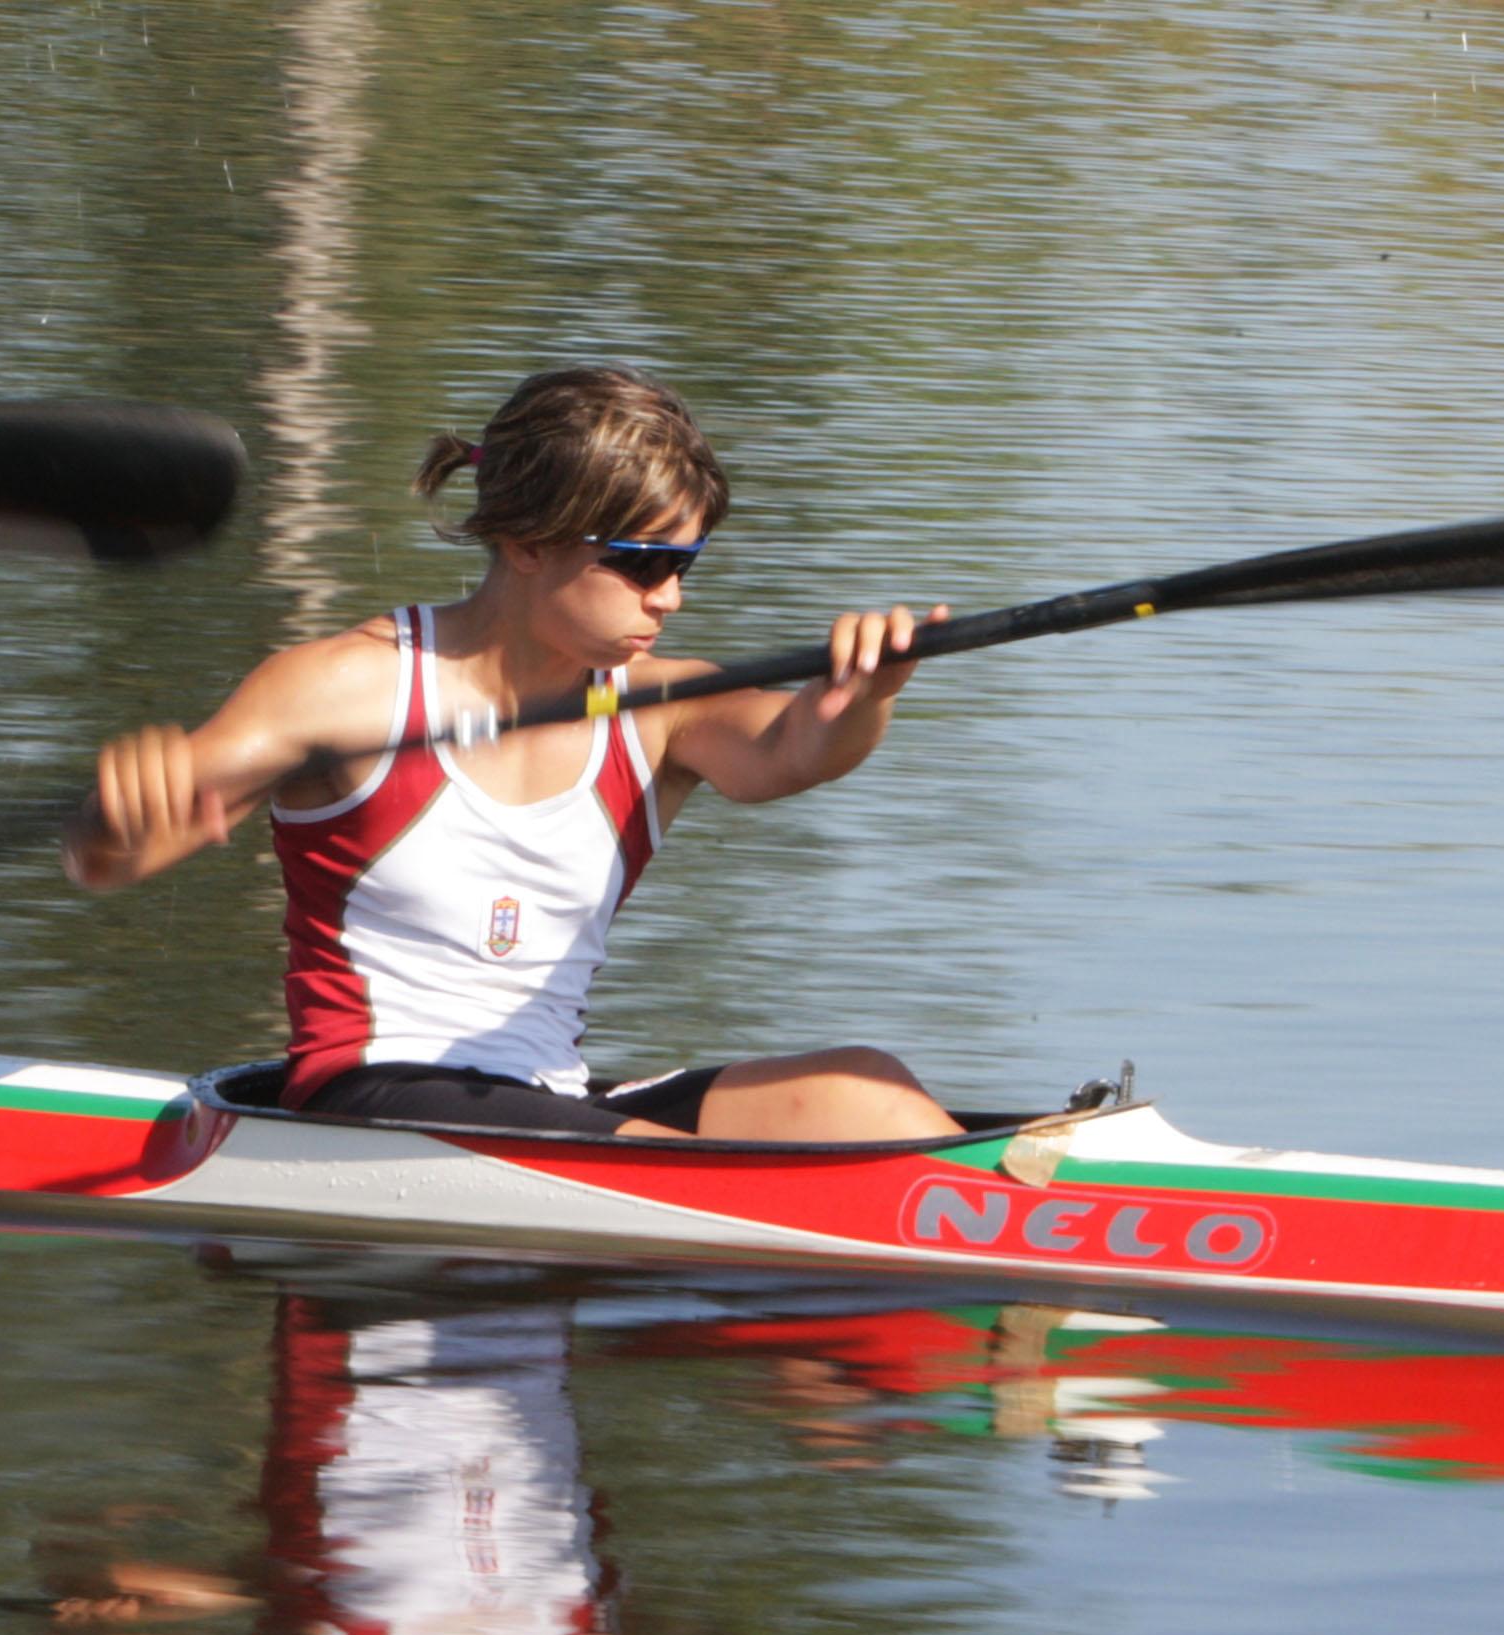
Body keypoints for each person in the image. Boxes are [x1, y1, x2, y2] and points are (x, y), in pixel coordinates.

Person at [64, 365, 956, 1141]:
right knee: (672, 1159)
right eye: (644, 565)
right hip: (369, 1096)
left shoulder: (657, 708)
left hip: (544, 1100)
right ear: (530, 541)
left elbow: (795, 748)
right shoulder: (346, 688)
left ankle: (1034, 1209)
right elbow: (115, 856)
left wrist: (864, 694)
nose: (670, 600)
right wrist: (121, 816)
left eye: (689, 565)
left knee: (862, 1091)